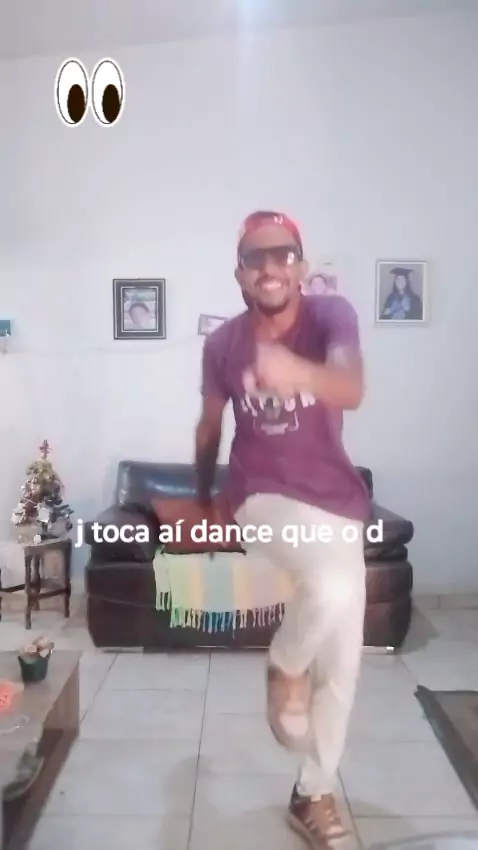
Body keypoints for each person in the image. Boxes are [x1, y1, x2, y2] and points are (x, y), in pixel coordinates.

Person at [195, 210, 371, 848]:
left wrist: (299, 372)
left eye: (282, 255)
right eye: (255, 258)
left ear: (301, 265)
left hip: (337, 502)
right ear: (239, 273)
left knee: (343, 662)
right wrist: (204, 498)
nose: (269, 268)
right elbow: (210, 426)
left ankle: (312, 791)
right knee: (331, 588)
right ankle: (285, 663)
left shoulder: (330, 317)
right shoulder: (223, 344)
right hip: (260, 494)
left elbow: (350, 387)